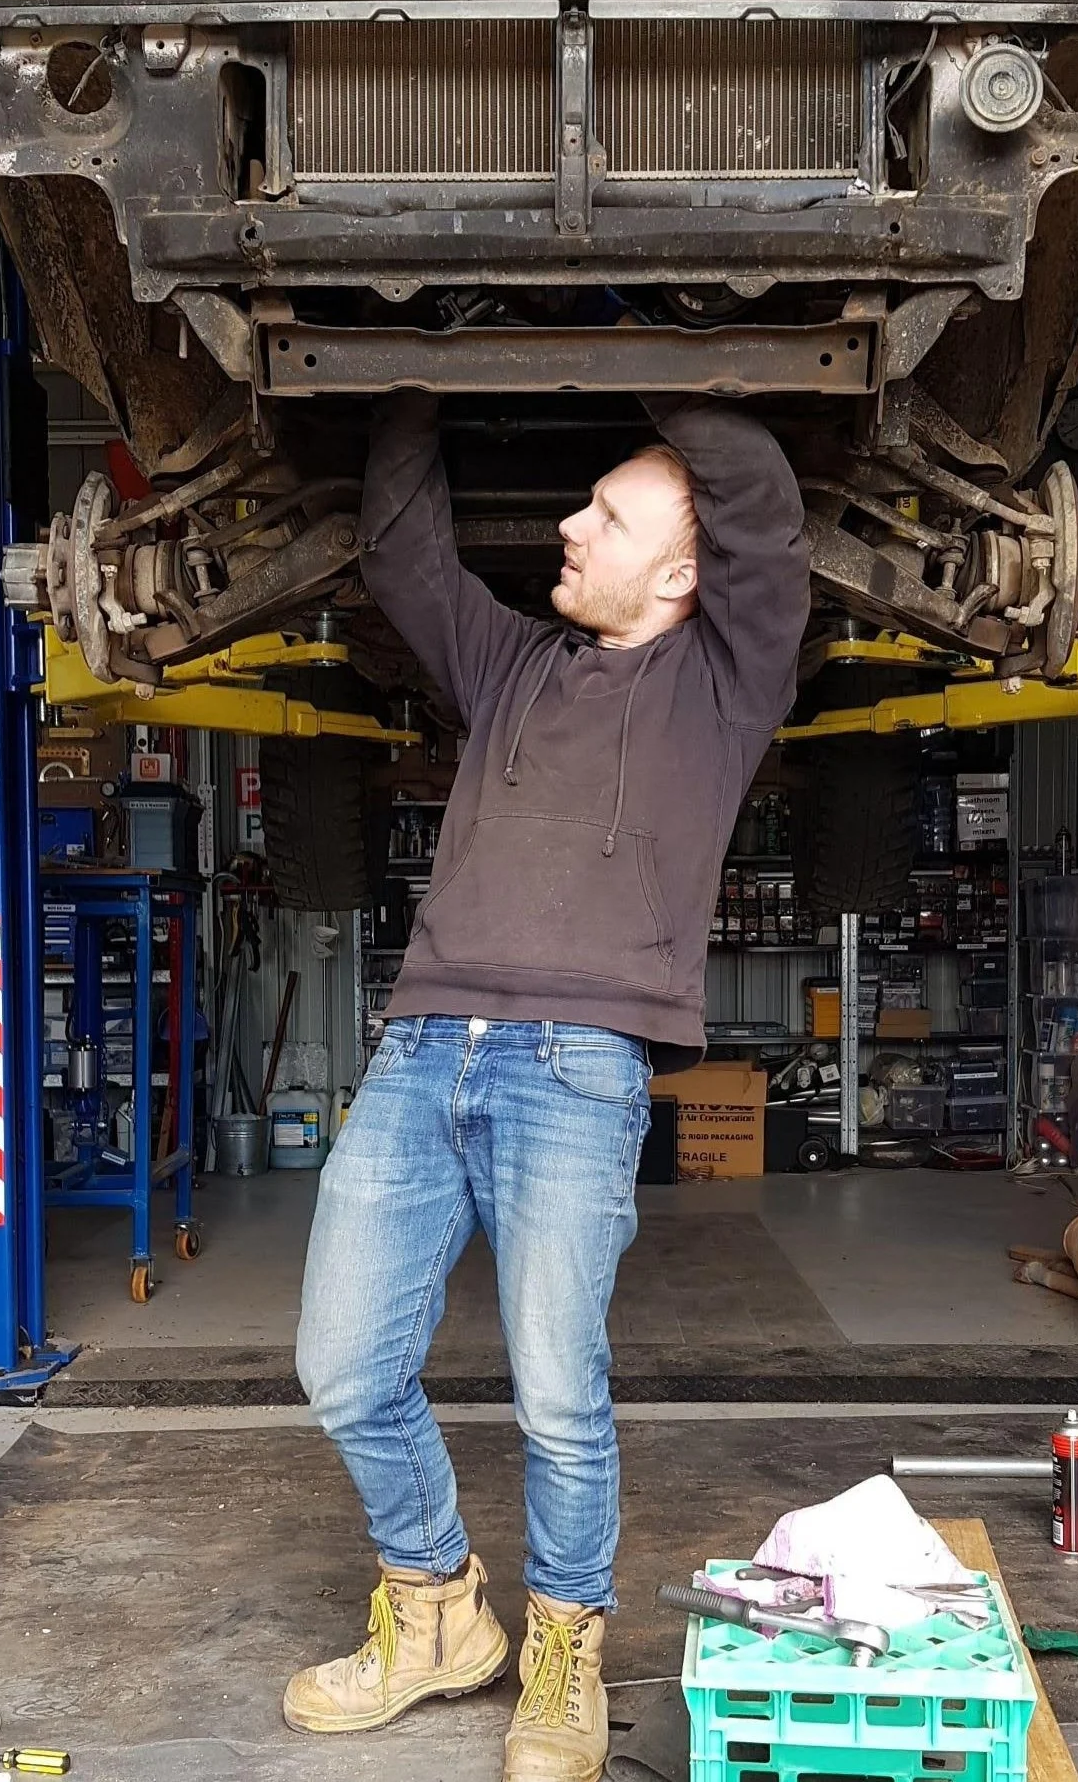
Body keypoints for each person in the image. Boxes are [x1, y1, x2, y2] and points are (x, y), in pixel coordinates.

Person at [285, 389, 811, 1782]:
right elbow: (406, 557)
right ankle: (440, 1610)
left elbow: (758, 490)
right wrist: (402, 380)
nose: (569, 526)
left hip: (578, 1067)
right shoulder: (515, 663)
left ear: (684, 572)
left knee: (557, 1393)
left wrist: (626, 343)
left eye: (610, 515)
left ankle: (567, 1643)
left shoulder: (728, 676)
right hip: (423, 1046)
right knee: (341, 1364)